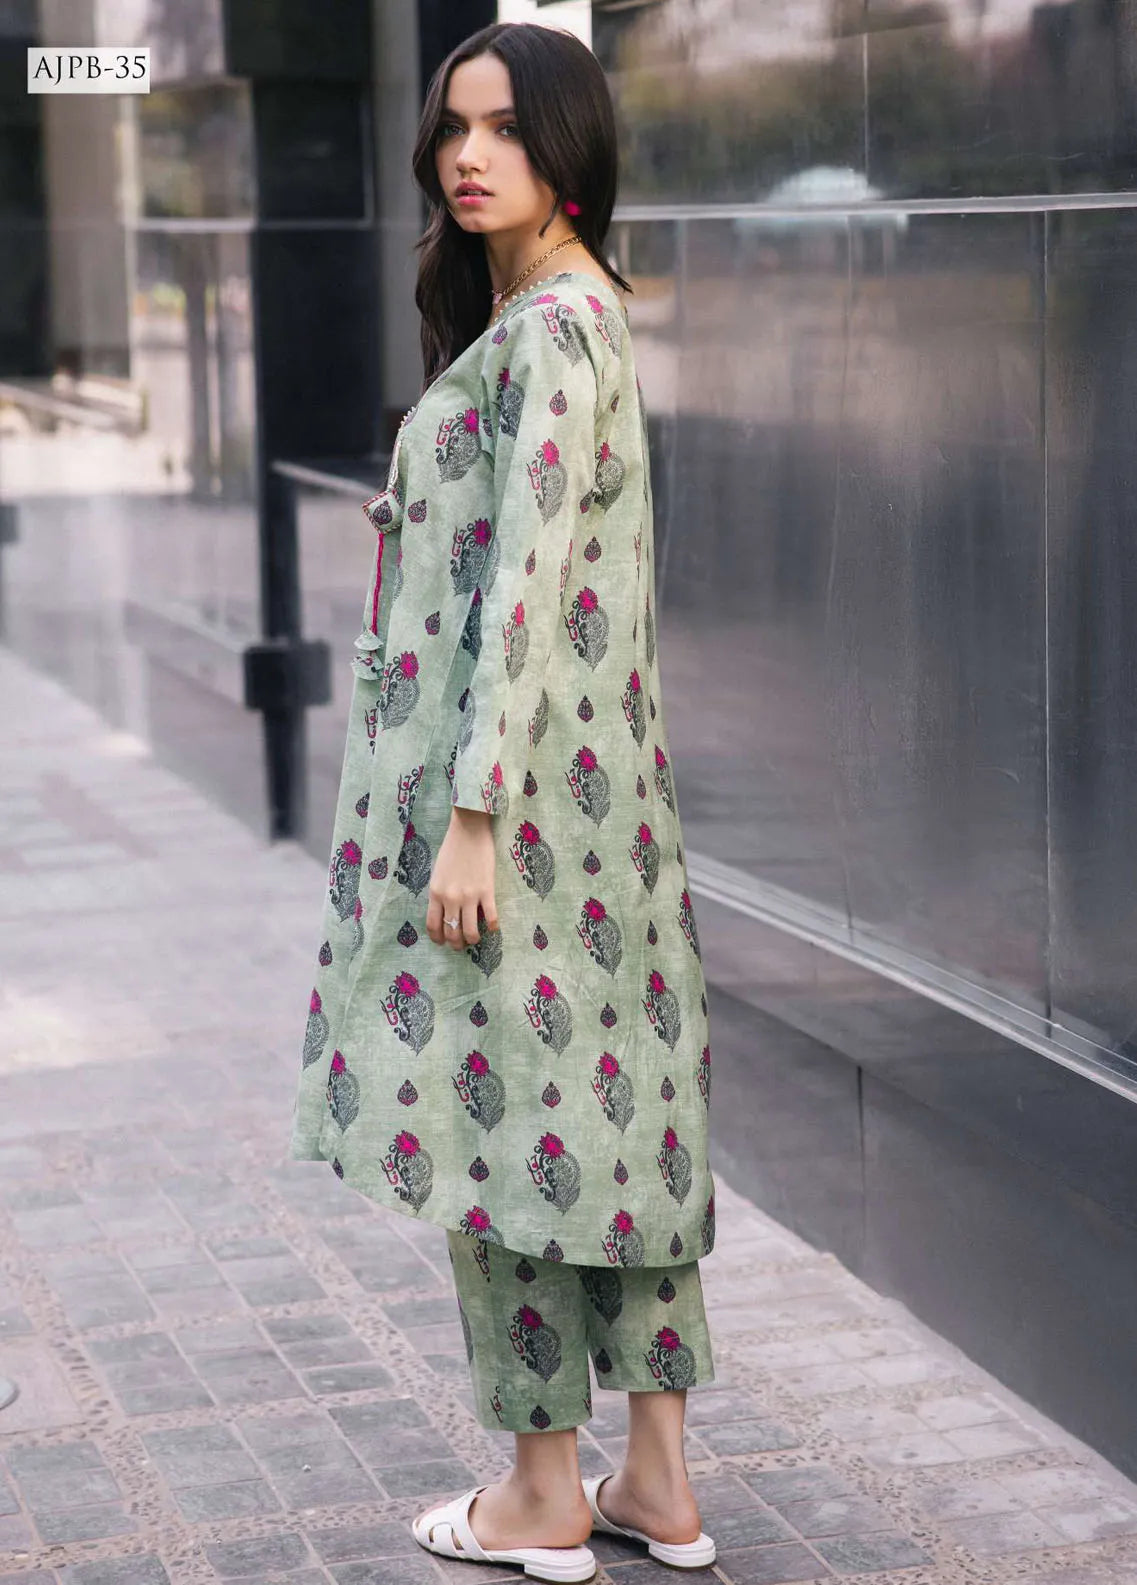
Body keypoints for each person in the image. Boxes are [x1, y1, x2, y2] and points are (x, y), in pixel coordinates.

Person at [290, 20, 717, 1583]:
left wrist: (471, 814)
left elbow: (525, 588)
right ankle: (656, 1477)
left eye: (506, 130)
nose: (470, 156)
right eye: (454, 128)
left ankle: (542, 1491)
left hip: (513, 814)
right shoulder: (581, 317)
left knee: (501, 1117)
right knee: (625, 1110)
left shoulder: (546, 331)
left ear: (568, 150)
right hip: (603, 813)